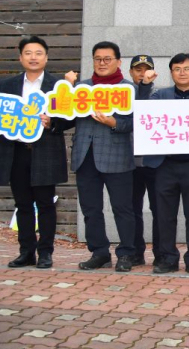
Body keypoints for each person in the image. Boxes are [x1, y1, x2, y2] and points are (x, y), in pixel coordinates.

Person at [140, 54, 189, 275]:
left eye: (187, 68)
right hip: (164, 164)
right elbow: (142, 112)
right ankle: (168, 258)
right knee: (165, 215)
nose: (182, 73)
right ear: (171, 72)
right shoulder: (160, 96)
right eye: (177, 69)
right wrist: (145, 85)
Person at [0, 37, 70, 269]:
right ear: (20, 58)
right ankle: (26, 252)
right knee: (23, 204)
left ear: (46, 57)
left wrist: (52, 122)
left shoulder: (57, 85)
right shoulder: (6, 86)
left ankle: (46, 253)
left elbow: (70, 119)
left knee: (46, 203)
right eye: (28, 53)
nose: (33, 57)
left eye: (38, 53)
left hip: (45, 151)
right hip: (16, 151)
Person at [69, 41, 138, 272]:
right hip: (85, 156)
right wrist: (66, 90)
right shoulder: (81, 88)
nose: (102, 63)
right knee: (91, 209)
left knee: (123, 208)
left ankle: (127, 253)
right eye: (98, 59)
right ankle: (99, 253)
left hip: (117, 156)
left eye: (107, 59)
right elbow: (66, 115)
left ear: (118, 62)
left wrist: (114, 123)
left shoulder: (129, 89)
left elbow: (137, 123)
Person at [129, 54, 159, 266]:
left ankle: (161, 253)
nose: (142, 73)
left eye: (146, 69)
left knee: (160, 210)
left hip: (155, 162)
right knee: (131, 210)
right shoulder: (122, 93)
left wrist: (146, 86)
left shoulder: (161, 94)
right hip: (128, 162)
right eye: (137, 69)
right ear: (130, 72)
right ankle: (136, 252)